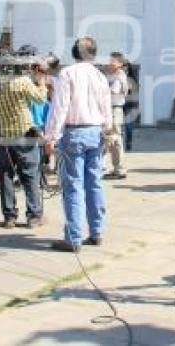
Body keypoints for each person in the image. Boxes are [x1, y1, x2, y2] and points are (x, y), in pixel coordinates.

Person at [44, 37, 113, 252]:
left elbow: (60, 107)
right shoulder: (100, 75)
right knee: (94, 183)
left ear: (75, 52)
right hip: (96, 131)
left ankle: (73, 237)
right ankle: (96, 231)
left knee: (73, 186)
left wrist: (51, 136)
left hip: (75, 131)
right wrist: (108, 129)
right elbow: (106, 106)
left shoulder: (67, 73)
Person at [0, 59, 47, 229]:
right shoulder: (22, 81)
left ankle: (9, 216)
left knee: (6, 176)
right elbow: (40, 99)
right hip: (24, 134)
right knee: (30, 176)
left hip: (2, 137)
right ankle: (33, 216)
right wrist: (41, 83)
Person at [103, 52, 128, 180]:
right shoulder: (112, 75)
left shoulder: (119, 75)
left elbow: (113, 91)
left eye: (112, 61)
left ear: (120, 63)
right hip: (110, 109)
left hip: (114, 110)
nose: (110, 63)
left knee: (114, 138)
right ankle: (116, 167)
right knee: (111, 139)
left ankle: (119, 169)